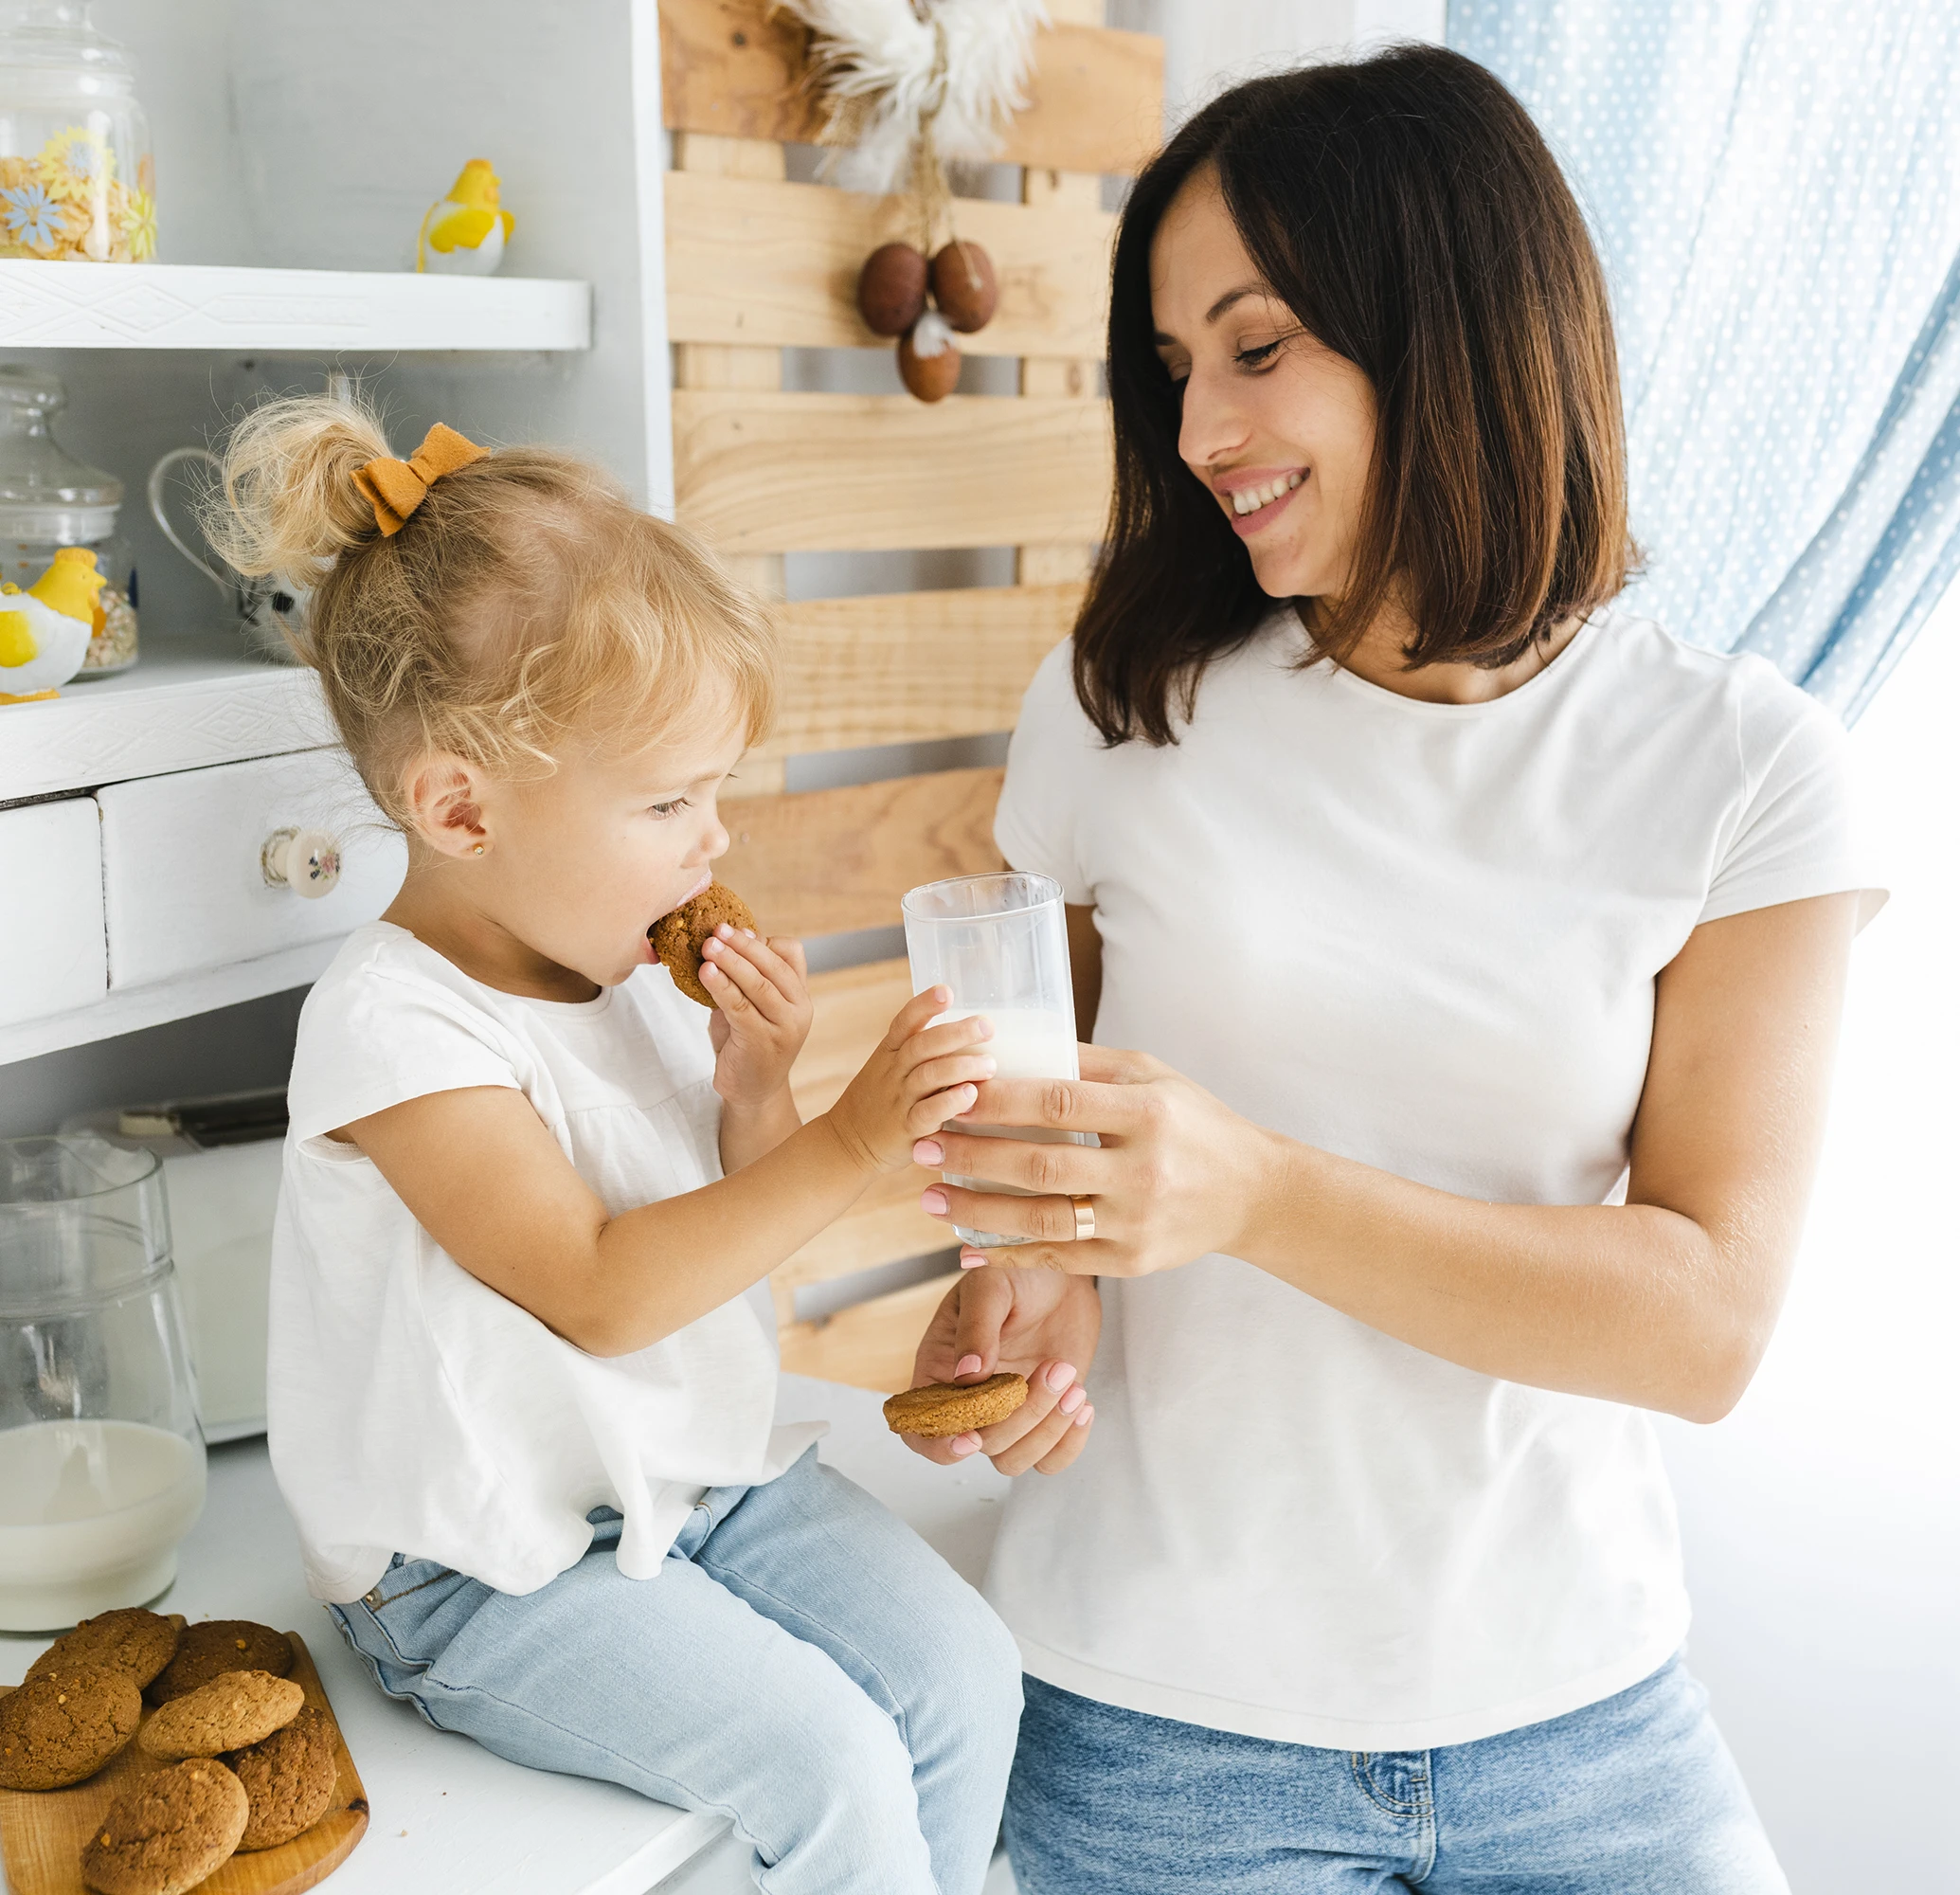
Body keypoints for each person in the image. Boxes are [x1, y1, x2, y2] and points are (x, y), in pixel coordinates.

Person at [900, 45, 1879, 1895]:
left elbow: (1700, 1322)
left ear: (1451, 323)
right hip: (1158, 1713)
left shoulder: (1737, 765)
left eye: (1256, 346)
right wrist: (1033, 1273)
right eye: (1175, 366)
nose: (1195, 432)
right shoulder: (1117, 712)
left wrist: (1254, 1191)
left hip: (1577, 1704)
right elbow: (1044, 1125)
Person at [206, 396, 1029, 1895]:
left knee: (969, 1673)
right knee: (830, 1764)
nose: (712, 842)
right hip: (487, 1568)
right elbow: (595, 1286)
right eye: (667, 801)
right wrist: (845, 1146)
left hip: (693, 1480)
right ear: (460, 806)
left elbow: (724, 1251)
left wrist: (760, 1096)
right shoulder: (396, 1030)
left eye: (710, 792)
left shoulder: (614, 965)